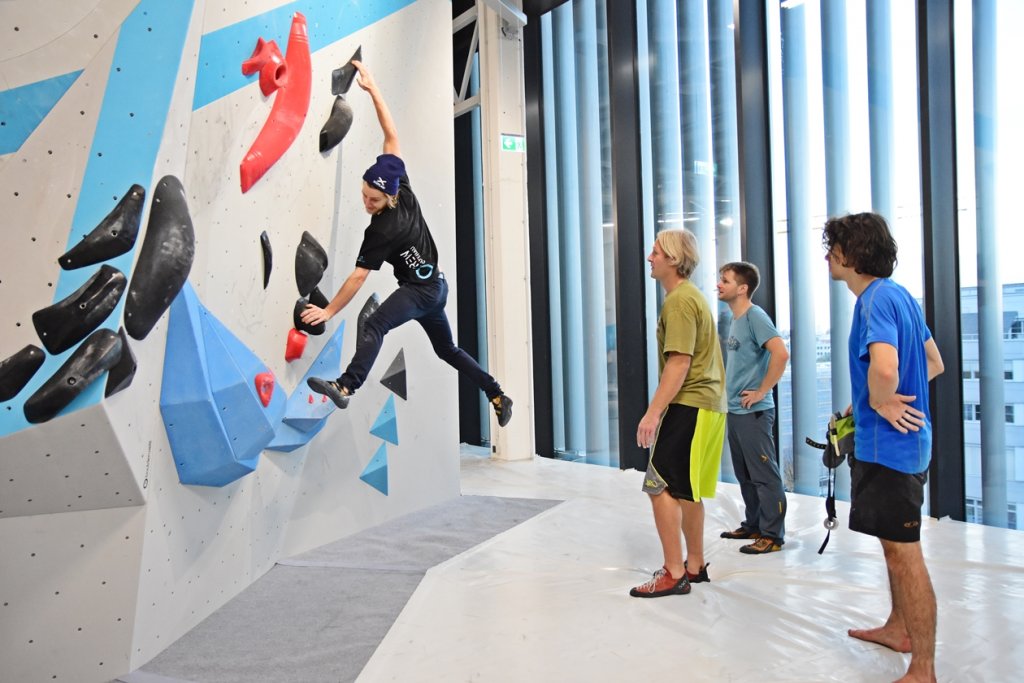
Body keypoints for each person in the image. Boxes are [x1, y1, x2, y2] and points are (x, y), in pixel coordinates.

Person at [303, 61, 512, 427]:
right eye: (365, 195)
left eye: (373, 201)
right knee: (447, 349)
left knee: (374, 326)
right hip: (436, 287)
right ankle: (496, 393)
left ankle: (346, 387)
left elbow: (358, 278)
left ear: (389, 200)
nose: (367, 204)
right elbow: (391, 133)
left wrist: (329, 311)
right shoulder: (401, 182)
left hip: (421, 291)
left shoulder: (383, 230)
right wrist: (373, 89)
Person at [824, 212, 944, 683]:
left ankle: (924, 669)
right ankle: (899, 628)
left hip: (892, 452)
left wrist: (881, 401)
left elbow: (887, 368)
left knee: (905, 552)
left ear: (851, 255)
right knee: (894, 548)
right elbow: (933, 362)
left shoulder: (874, 301)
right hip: (901, 446)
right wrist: (872, 407)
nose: (828, 255)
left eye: (833, 247)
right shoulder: (901, 298)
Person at [630, 229, 727, 598]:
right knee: (686, 490)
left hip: (689, 404)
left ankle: (673, 573)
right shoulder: (690, 298)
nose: (649, 258)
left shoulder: (680, 302)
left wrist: (653, 413)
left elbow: (679, 362)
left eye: (655, 252)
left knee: (659, 485)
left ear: (672, 259)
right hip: (705, 405)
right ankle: (694, 564)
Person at [716, 262, 789, 554]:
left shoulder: (755, 317)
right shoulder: (735, 319)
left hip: (754, 413)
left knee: (764, 475)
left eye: (725, 281)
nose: (719, 285)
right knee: (744, 473)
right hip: (735, 410)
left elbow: (781, 354)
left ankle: (772, 535)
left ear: (742, 288)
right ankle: (754, 524)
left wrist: (762, 390)